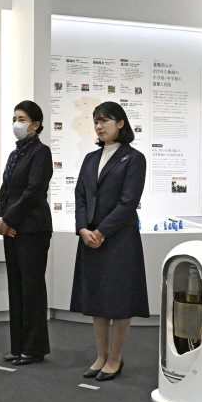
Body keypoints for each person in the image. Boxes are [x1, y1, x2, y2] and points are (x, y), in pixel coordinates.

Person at [70, 101, 149, 381]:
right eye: (96, 121)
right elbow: (80, 196)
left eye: (105, 120)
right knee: (96, 299)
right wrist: (83, 228)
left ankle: (115, 358)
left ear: (120, 123)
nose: (99, 126)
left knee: (119, 300)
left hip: (119, 239)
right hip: (90, 237)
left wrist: (101, 231)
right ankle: (100, 355)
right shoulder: (90, 158)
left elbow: (128, 202)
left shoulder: (134, 158)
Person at [0, 100, 53, 365]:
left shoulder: (41, 152)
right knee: (16, 288)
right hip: (11, 230)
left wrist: (8, 219)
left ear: (35, 124)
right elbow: (4, 191)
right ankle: (18, 346)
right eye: (14, 119)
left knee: (31, 289)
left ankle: (34, 348)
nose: (16, 124)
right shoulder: (14, 154)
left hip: (32, 230)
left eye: (21, 119)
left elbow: (33, 192)